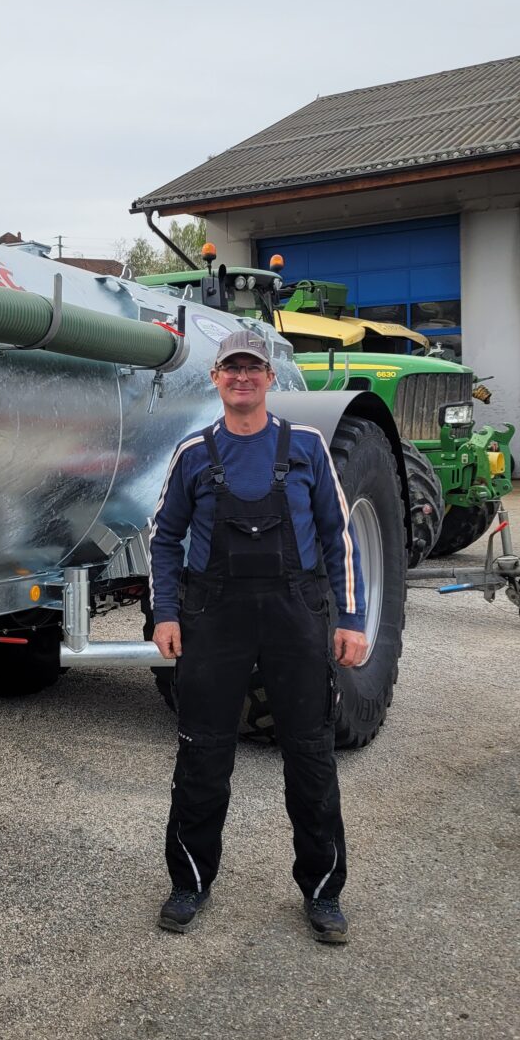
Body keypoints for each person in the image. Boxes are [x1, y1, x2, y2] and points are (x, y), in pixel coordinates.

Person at [148, 329, 367, 944]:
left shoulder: (307, 446)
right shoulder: (193, 453)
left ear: (270, 379)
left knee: (311, 755)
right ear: (215, 378)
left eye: (253, 368)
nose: (242, 377)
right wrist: (166, 613)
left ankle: (323, 894)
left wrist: (351, 620)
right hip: (213, 618)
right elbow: (164, 537)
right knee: (202, 752)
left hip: (295, 615)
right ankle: (190, 883)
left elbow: (339, 537)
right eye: (231, 368)